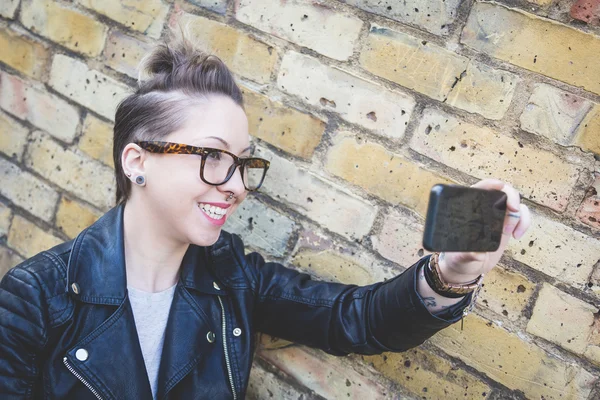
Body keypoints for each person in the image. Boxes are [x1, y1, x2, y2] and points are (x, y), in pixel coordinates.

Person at [0, 32, 531, 400]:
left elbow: (357, 318)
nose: (234, 187)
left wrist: (452, 272)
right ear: (137, 161)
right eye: (212, 158)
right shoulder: (36, 297)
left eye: (242, 163)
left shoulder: (230, 276)